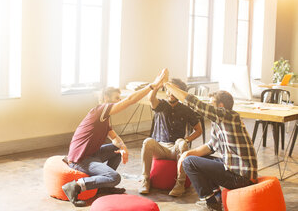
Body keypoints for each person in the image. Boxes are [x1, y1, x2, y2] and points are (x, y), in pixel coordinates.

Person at [62, 69, 168, 207]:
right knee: (114, 177)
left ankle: (104, 187)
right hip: (80, 159)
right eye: (117, 98)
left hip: (91, 155)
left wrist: (123, 148)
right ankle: (75, 186)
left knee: (116, 149)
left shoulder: (104, 118)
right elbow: (130, 100)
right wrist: (152, 86)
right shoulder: (100, 110)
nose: (120, 101)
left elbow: (115, 139)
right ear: (106, 98)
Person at [164, 83, 258, 211]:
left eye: (211, 103)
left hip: (241, 178)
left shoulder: (228, 115)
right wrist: (187, 154)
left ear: (220, 106)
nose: (209, 106)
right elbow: (210, 147)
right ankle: (217, 197)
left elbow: (195, 103)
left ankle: (211, 203)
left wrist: (167, 85)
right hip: (235, 172)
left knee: (189, 163)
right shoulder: (219, 122)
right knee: (197, 157)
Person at [139, 78, 202, 197]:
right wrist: (157, 85)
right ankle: (145, 180)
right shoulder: (161, 104)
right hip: (160, 148)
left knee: (183, 143)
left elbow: (199, 130)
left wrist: (186, 139)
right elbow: (151, 98)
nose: (170, 93)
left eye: (174, 90)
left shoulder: (186, 110)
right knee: (147, 142)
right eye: (169, 90)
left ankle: (180, 184)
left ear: (180, 93)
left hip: (175, 148)